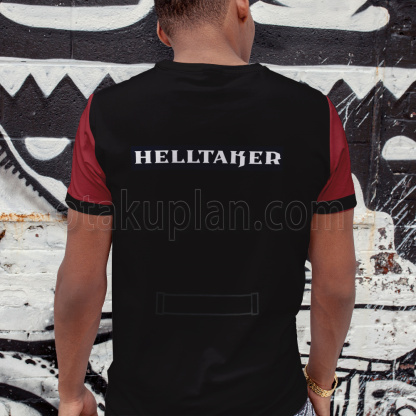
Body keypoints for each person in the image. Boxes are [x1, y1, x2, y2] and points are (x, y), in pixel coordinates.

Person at [54, 0, 357, 415]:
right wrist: (320, 383)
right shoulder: (315, 116)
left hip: (145, 403)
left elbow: (81, 282)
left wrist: (71, 393)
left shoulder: (106, 115)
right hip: (269, 401)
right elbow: (336, 283)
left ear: (163, 31)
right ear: (241, 6)